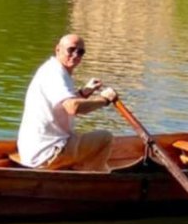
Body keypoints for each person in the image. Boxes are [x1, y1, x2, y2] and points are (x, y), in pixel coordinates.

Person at [17, 34, 118, 171]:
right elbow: (73, 107)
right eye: (71, 49)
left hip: (34, 151)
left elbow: (62, 105)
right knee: (105, 138)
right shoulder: (55, 73)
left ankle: (85, 171)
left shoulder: (53, 69)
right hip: (47, 153)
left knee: (80, 138)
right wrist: (104, 100)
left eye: (80, 51)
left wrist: (84, 92)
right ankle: (94, 183)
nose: (76, 55)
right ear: (58, 49)